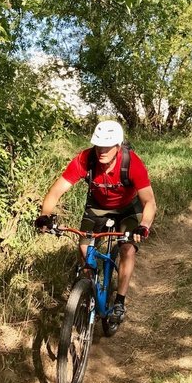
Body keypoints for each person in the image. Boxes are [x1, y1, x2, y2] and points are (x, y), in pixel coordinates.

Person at [35, 120, 156, 323]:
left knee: (127, 249)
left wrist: (144, 225)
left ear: (118, 146)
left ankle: (119, 302)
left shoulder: (132, 163)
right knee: (84, 248)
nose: (102, 150)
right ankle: (88, 289)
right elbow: (56, 191)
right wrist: (45, 216)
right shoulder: (85, 159)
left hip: (126, 208)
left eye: (107, 146)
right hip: (96, 207)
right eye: (98, 145)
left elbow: (149, 201)